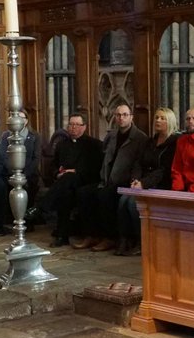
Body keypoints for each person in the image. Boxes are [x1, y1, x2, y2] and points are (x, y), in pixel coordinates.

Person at [73, 104, 149, 251]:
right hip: (107, 180)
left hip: (124, 182)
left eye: (125, 115)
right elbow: (104, 157)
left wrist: (134, 180)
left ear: (131, 117)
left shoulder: (140, 138)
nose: (121, 118)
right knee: (83, 193)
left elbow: (139, 164)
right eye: (118, 115)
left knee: (105, 196)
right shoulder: (111, 135)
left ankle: (110, 237)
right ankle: (91, 235)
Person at [117, 107, 181, 255]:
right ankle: (125, 239)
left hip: (161, 184)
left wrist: (143, 184)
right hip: (143, 183)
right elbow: (138, 162)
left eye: (162, 118)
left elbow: (164, 170)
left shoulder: (175, 142)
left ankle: (143, 241)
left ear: (170, 121)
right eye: (157, 117)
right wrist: (135, 180)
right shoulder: (150, 141)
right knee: (123, 201)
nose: (158, 120)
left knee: (134, 204)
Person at [38, 112, 103, 247]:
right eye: (71, 124)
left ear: (84, 127)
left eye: (76, 124)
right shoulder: (62, 144)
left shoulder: (93, 144)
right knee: (65, 193)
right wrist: (57, 174)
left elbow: (95, 168)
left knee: (69, 178)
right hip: (65, 184)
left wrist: (76, 171)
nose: (73, 127)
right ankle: (63, 237)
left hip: (85, 180)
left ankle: (42, 207)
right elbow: (54, 166)